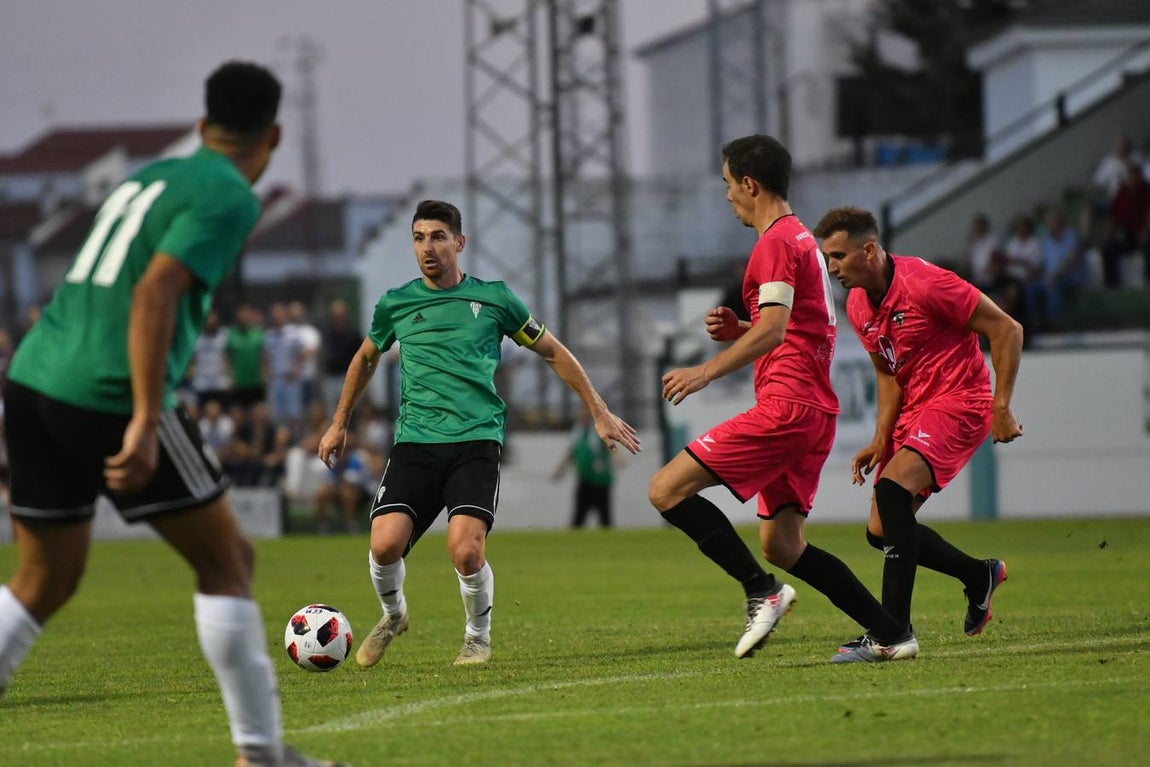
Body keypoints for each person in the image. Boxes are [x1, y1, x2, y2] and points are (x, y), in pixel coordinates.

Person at [0, 62, 344, 767]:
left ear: (201, 124)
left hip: (33, 378)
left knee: (45, 576)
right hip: (108, 389)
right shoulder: (230, 194)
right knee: (229, 559)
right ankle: (261, 756)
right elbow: (155, 292)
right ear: (274, 136)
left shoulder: (149, 178)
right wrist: (145, 416)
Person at [317, 199, 640, 667]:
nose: (428, 248)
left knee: (466, 551)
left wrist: (599, 409)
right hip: (416, 443)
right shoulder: (396, 303)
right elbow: (366, 357)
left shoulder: (495, 300)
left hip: (475, 442)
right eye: (419, 238)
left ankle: (476, 637)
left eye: (438, 237)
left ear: (460, 242)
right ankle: (394, 614)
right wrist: (339, 423)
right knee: (384, 546)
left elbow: (552, 351)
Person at [649, 134, 907, 661]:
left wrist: (704, 372)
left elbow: (773, 331)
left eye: (728, 184)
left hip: (787, 406)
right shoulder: (801, 239)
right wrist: (741, 329)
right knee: (783, 545)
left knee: (665, 490)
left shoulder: (774, 243)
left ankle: (760, 592)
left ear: (750, 184)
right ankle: (891, 632)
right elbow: (795, 327)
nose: (727, 196)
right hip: (814, 410)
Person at [815, 205, 1023, 663]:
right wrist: (881, 438)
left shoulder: (926, 283)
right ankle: (978, 575)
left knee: (892, 494)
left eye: (838, 256)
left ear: (869, 250)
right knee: (880, 531)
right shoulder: (857, 304)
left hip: (959, 401)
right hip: (916, 410)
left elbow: (1007, 329)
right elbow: (886, 373)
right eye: (827, 258)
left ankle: (893, 633)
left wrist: (1001, 406)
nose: (832, 268)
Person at [552, 410, 617, 529]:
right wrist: (561, 470)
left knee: (605, 517)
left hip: (601, 481)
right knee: (579, 516)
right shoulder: (577, 432)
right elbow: (571, 452)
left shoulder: (600, 430)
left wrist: (616, 458)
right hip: (585, 479)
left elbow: (610, 445)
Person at [320, 299, 363, 410]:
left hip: (348, 377)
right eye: (335, 316)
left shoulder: (354, 335)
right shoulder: (328, 335)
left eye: (340, 316)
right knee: (332, 411)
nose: (337, 319)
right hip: (331, 377)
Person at [227, 303, 267, 410]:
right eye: (241, 314)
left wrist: (265, 377)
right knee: (239, 413)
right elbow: (228, 359)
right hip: (238, 382)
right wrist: (230, 378)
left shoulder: (258, 334)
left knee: (257, 411)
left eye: (246, 314)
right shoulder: (232, 334)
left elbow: (263, 358)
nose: (244, 317)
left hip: (256, 381)